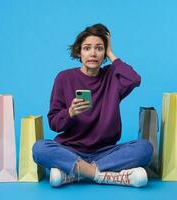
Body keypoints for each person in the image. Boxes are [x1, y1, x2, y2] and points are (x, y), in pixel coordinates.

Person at [32, 23, 153, 188]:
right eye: (87, 48)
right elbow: (54, 123)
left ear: (104, 54)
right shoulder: (64, 78)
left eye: (99, 48)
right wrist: (70, 112)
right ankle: (105, 176)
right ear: (79, 52)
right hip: (71, 150)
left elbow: (134, 79)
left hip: (106, 152)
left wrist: (112, 54)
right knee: (39, 149)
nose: (93, 53)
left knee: (145, 148)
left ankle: (75, 174)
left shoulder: (112, 76)